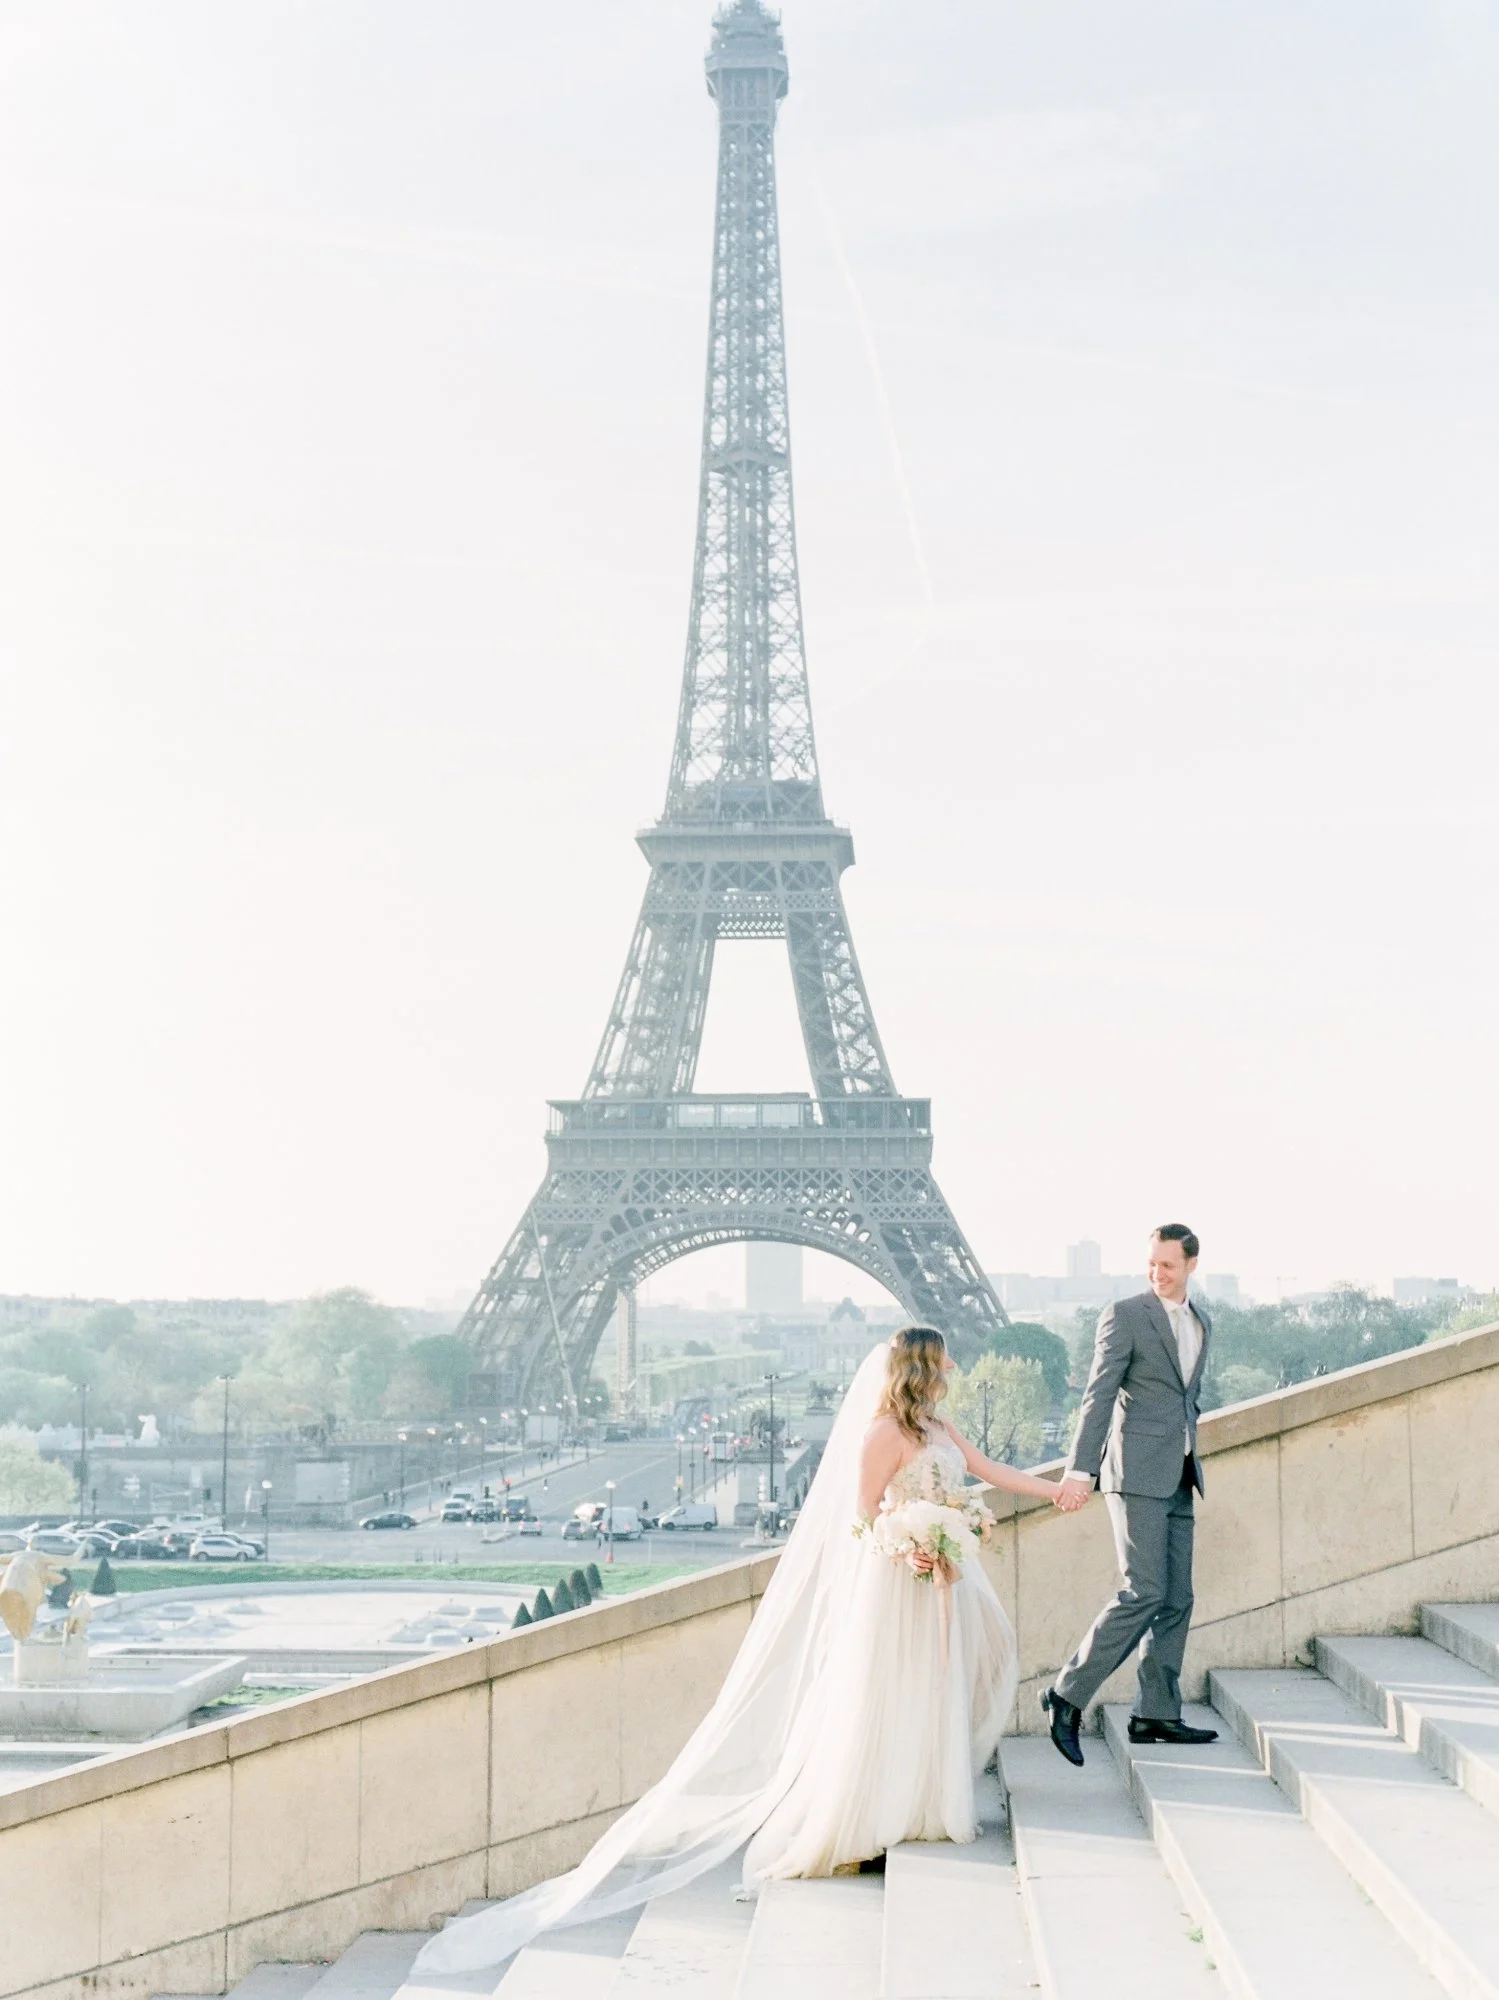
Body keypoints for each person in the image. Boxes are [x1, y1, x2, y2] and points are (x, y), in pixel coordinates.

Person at [412, 1328, 1067, 1975]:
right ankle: (873, 1811)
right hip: (898, 1581)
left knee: (931, 1687)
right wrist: (907, 1542)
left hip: (935, 1582)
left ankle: (922, 1801)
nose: (954, 1362)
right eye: (943, 1355)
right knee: (886, 1694)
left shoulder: (941, 1428)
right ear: (921, 1365)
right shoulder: (881, 1434)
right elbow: (863, 1514)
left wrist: (1056, 1488)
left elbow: (988, 1474)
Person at [1041, 1224, 1219, 1764]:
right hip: (1134, 1474)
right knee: (1143, 1590)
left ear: (1191, 1264)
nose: (1157, 1274)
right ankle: (1067, 1695)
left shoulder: (1201, 1320)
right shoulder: (1126, 1314)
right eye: (1152, 1264)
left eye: (1167, 1265)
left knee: (1177, 1597)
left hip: (1181, 1470)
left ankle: (1157, 1713)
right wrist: (1080, 1470)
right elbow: (1097, 1396)